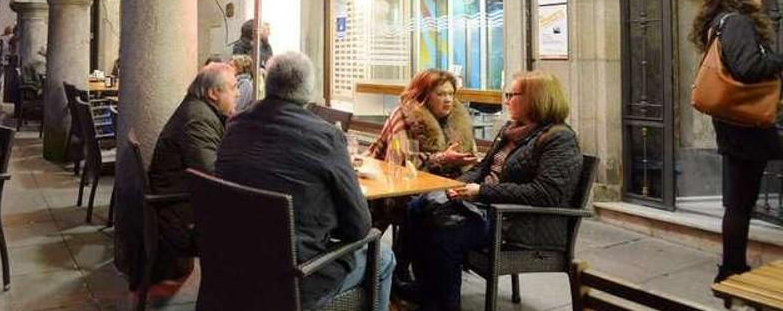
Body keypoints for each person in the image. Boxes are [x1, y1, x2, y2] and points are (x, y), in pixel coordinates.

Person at [215, 52, 394, 311]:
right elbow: (359, 227)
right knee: (384, 256)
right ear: (309, 90)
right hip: (297, 279)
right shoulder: (326, 136)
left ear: (268, 83)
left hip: (234, 264)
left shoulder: (235, 126)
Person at [401, 71, 582, 311]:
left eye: (512, 95)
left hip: (518, 223)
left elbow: (545, 193)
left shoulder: (559, 138)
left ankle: (444, 303)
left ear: (536, 99)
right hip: (487, 209)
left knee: (444, 228)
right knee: (418, 206)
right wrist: (456, 187)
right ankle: (426, 289)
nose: (506, 100)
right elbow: (481, 168)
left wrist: (481, 191)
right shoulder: (511, 129)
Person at [690, 0, 783, 282]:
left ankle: (732, 268)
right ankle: (731, 269)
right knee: (740, 202)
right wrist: (778, 60)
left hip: (735, 124)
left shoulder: (719, 24)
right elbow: (747, 67)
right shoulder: (737, 22)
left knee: (739, 202)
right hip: (748, 126)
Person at [148, 62, 239, 280]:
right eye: (233, 87)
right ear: (213, 93)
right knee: (257, 228)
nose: (237, 93)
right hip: (180, 218)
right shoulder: (198, 119)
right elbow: (213, 176)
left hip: (178, 206)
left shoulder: (198, 110)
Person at [367, 69, 478, 178]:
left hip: (453, 182)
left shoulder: (460, 120)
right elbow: (401, 163)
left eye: (451, 94)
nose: (448, 99)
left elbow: (472, 160)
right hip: (413, 183)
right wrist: (441, 159)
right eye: (441, 94)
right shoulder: (403, 115)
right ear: (424, 96)